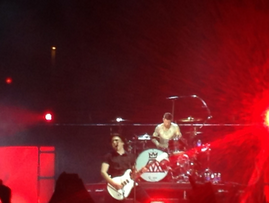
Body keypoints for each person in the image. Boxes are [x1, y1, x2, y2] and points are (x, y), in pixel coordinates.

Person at [100, 133, 150, 203]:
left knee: (147, 200)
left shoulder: (131, 156)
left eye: (116, 140)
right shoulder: (108, 156)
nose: (114, 142)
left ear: (122, 143)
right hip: (115, 185)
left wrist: (141, 172)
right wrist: (114, 184)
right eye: (112, 141)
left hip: (129, 183)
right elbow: (103, 171)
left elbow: (134, 174)